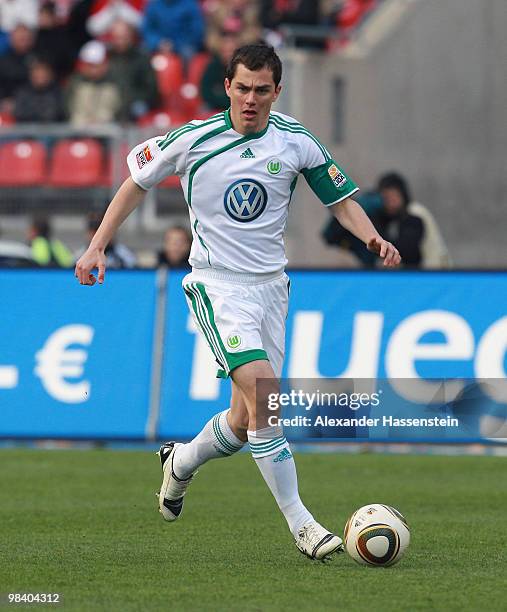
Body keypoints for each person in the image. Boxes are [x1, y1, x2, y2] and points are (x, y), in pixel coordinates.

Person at [75, 43, 400, 561]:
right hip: (217, 284)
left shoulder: (296, 141)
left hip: (272, 287)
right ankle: (302, 524)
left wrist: (372, 237)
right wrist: (97, 244)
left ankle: (180, 463)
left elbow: (339, 201)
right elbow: (135, 183)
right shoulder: (192, 140)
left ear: (277, 91)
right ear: (227, 86)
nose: (251, 99)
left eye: (262, 90)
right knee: (267, 392)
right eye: (242, 88)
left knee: (246, 421)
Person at [377, 172, 451, 269]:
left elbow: (407, 250)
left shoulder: (415, 213)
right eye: (386, 199)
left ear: (402, 194)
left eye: (393, 197)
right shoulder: (398, 217)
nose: (390, 203)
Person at [107, 19, 158, 122]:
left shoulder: (141, 57)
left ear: (131, 37)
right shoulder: (108, 57)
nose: (120, 41)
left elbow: (150, 88)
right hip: (113, 101)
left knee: (138, 109)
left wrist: (130, 98)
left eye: (123, 37)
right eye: (117, 38)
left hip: (136, 101)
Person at [65, 40, 121, 126]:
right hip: (79, 130)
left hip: (108, 132)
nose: (92, 70)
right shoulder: (76, 83)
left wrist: (101, 121)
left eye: (95, 65)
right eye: (89, 65)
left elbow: (119, 109)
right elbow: (68, 108)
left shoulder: (114, 83)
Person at [14, 57, 66, 123]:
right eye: (37, 73)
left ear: (50, 75)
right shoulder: (23, 92)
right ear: (31, 75)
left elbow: (59, 113)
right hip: (27, 131)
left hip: (52, 130)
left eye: (43, 74)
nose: (40, 76)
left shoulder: (57, 92)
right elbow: (19, 113)